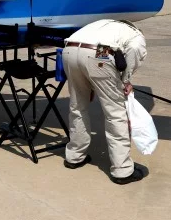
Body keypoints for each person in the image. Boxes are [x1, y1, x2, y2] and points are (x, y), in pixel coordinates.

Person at [62, 19, 147, 185]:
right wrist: (125, 81)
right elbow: (135, 50)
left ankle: (74, 156)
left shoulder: (104, 25)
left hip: (69, 50)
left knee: (77, 107)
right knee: (115, 113)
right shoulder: (137, 36)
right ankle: (122, 170)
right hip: (99, 52)